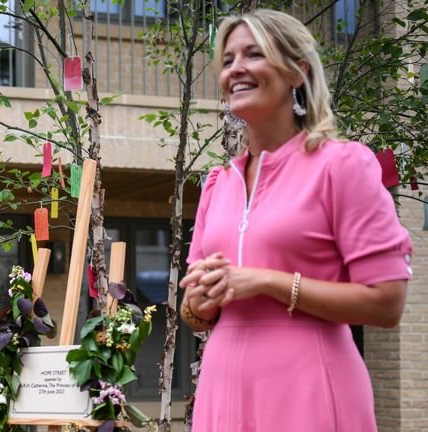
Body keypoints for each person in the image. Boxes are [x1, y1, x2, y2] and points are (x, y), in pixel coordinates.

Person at [178, 9, 412, 432]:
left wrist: (268, 281)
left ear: (296, 73)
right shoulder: (219, 182)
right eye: (228, 60)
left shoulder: (342, 166)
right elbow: (195, 313)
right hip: (222, 388)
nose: (237, 69)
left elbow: (387, 303)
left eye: (253, 54)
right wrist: (200, 301)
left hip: (308, 387)